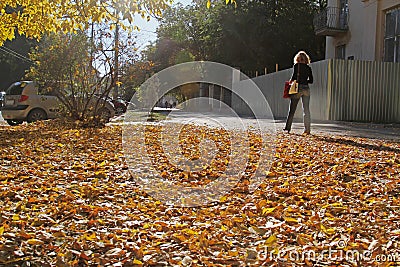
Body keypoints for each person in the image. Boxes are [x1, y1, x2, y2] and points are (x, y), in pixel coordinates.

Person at [284, 51, 314, 135]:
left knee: (292, 109)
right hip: (306, 89)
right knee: (306, 110)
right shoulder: (308, 68)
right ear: (306, 60)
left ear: (297, 59)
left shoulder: (296, 66)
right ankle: (307, 130)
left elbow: (293, 77)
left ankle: (287, 128)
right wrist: (305, 81)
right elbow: (311, 81)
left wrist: (291, 83)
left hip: (297, 88)